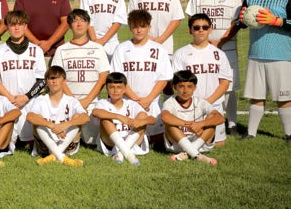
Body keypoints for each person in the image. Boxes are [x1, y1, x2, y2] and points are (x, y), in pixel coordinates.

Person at [219, 0, 291, 143]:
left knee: (283, 97)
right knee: (255, 96)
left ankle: (289, 134)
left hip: (281, 56)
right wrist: (242, 19)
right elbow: (242, 22)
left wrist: (276, 20)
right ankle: (251, 133)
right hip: (256, 54)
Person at [184, 0, 243, 135]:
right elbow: (192, 19)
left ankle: (231, 124)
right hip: (203, 47)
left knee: (228, 88)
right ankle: (202, 118)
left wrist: (221, 41)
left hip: (227, 47)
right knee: (203, 84)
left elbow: (237, 22)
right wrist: (206, 41)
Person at [110, 9, 174, 148]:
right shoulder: (121, 49)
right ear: (130, 27)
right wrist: (136, 100)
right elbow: (118, 79)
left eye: (143, 26)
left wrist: (148, 99)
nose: (139, 30)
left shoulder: (159, 49)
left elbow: (163, 78)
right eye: (135, 26)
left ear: (149, 27)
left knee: (157, 142)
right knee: (130, 139)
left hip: (152, 104)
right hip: (128, 102)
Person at [171, 13, 234, 146]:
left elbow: (224, 83)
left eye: (205, 27)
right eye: (197, 27)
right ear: (190, 30)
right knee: (187, 143)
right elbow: (178, 84)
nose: (201, 30)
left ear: (210, 29)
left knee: (219, 144)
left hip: (213, 105)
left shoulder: (219, 54)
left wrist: (208, 102)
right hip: (190, 107)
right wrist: (193, 103)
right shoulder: (181, 53)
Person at [0, 9, 47, 151]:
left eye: (20, 24)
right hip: (7, 100)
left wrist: (26, 97)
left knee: (35, 140)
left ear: (26, 26)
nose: (16, 28)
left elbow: (42, 80)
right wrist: (11, 98)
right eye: (12, 24)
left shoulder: (36, 51)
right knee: (2, 144)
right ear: (7, 27)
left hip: (30, 101)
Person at [52, 8, 110, 146]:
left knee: (92, 141)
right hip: (69, 102)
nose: (79, 24)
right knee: (63, 139)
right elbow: (58, 79)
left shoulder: (98, 48)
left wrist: (87, 100)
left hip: (91, 103)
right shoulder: (62, 49)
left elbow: (103, 78)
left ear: (88, 24)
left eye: (83, 20)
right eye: (75, 21)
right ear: (69, 25)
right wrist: (74, 101)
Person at [25, 65, 90, 167]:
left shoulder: (71, 100)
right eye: (51, 78)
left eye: (57, 78)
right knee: (38, 121)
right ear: (46, 82)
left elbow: (86, 117)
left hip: (66, 142)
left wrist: (66, 125)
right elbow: (29, 117)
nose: (54, 81)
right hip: (45, 144)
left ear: (64, 81)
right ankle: (62, 157)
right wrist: (51, 125)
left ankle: (54, 155)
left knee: (78, 118)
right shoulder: (41, 99)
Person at [127, 0, 185, 66]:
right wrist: (147, 37)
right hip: (141, 43)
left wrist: (161, 39)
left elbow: (177, 18)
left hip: (165, 45)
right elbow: (132, 19)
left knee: (164, 75)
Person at [13, 0, 71, 67]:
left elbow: (66, 23)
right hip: (28, 52)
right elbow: (19, 23)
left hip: (56, 52)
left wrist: (49, 43)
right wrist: (36, 43)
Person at [91, 72, 156, 166]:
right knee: (105, 119)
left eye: (119, 87)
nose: (115, 91)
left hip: (132, 141)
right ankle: (129, 155)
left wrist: (141, 122)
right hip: (111, 143)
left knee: (142, 117)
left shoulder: (131, 104)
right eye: (111, 87)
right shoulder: (103, 102)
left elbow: (152, 119)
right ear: (107, 89)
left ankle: (121, 154)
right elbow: (95, 112)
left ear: (125, 89)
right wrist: (119, 117)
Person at [161, 70, 224, 166]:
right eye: (181, 86)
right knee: (169, 124)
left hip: (200, 143)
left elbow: (220, 118)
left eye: (189, 87)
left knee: (212, 119)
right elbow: (165, 117)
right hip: (177, 145)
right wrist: (190, 125)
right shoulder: (170, 102)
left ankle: (188, 152)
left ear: (195, 87)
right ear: (175, 87)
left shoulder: (201, 102)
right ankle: (197, 155)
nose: (185, 91)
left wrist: (200, 124)